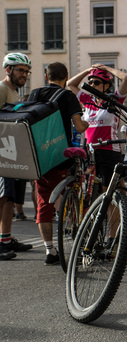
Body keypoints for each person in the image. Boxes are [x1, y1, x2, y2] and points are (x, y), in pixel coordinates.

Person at [32, 62, 88, 265]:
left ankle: (50, 251)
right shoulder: (68, 96)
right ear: (66, 77)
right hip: (60, 158)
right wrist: (87, 123)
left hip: (40, 160)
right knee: (71, 198)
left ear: (47, 77)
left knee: (43, 206)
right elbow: (80, 127)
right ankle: (78, 244)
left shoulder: (34, 94)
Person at [67, 64, 127, 191]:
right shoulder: (87, 100)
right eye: (90, 82)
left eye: (96, 82)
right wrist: (88, 70)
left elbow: (126, 78)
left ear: (106, 86)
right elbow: (71, 84)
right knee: (94, 190)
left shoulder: (113, 100)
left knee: (110, 190)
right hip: (91, 152)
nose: (92, 85)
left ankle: (123, 209)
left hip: (109, 150)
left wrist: (106, 68)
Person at [0, 53, 35, 260]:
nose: (25, 74)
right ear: (8, 70)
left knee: (9, 199)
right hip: (2, 153)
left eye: (26, 71)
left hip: (10, 152)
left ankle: (5, 239)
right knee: (2, 198)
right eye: (20, 70)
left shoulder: (13, 92)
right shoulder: (2, 89)